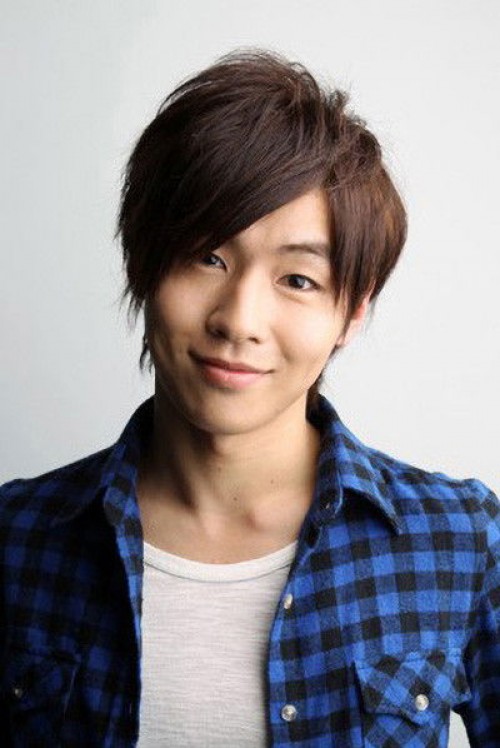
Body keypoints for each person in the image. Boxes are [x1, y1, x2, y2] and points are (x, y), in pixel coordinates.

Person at [0, 49, 498, 748]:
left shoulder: (459, 540)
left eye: (298, 280)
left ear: (352, 312)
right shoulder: (19, 540)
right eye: (208, 257)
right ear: (142, 261)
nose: (239, 320)